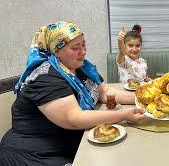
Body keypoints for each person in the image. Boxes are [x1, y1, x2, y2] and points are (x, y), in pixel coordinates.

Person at [0, 21, 145, 165]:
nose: (83, 51)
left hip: (69, 145)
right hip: (34, 153)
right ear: (56, 50)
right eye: (76, 47)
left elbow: (105, 92)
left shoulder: (81, 67)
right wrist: (123, 115)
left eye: (83, 44)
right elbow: (74, 118)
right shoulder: (46, 76)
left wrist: (141, 98)